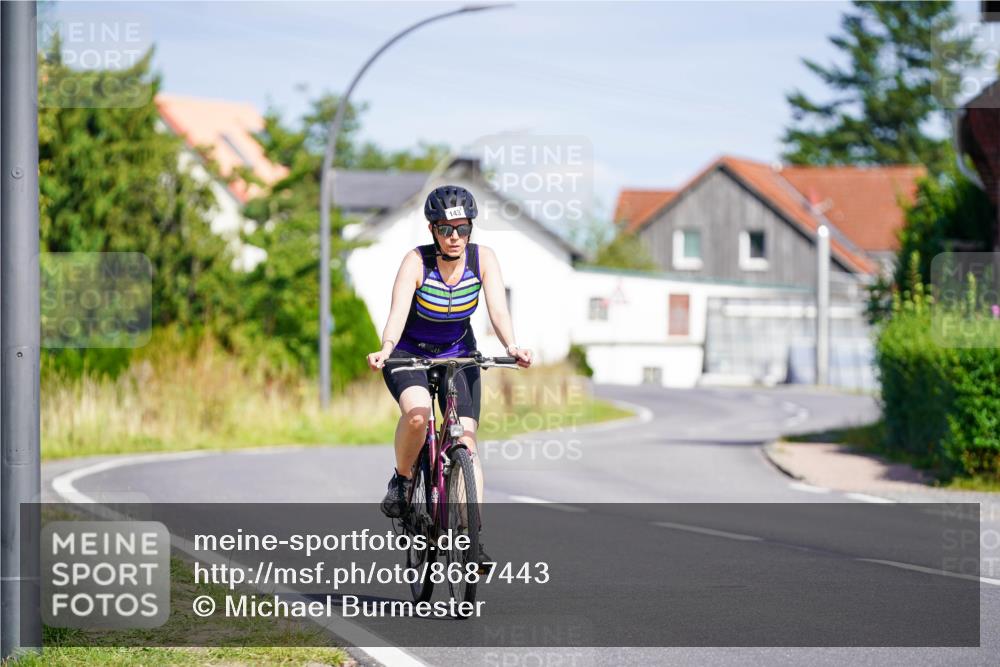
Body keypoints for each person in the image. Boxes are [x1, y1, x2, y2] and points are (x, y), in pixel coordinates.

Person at [366, 185, 532, 519]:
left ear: (471, 227)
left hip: (459, 352)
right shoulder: (416, 261)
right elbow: (397, 314)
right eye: (445, 229)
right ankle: (403, 478)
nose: (454, 237)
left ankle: (473, 539)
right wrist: (385, 349)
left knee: (467, 444)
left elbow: (498, 311)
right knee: (418, 415)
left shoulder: (483, 258)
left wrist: (511, 345)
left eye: (462, 228)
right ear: (432, 230)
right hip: (409, 352)